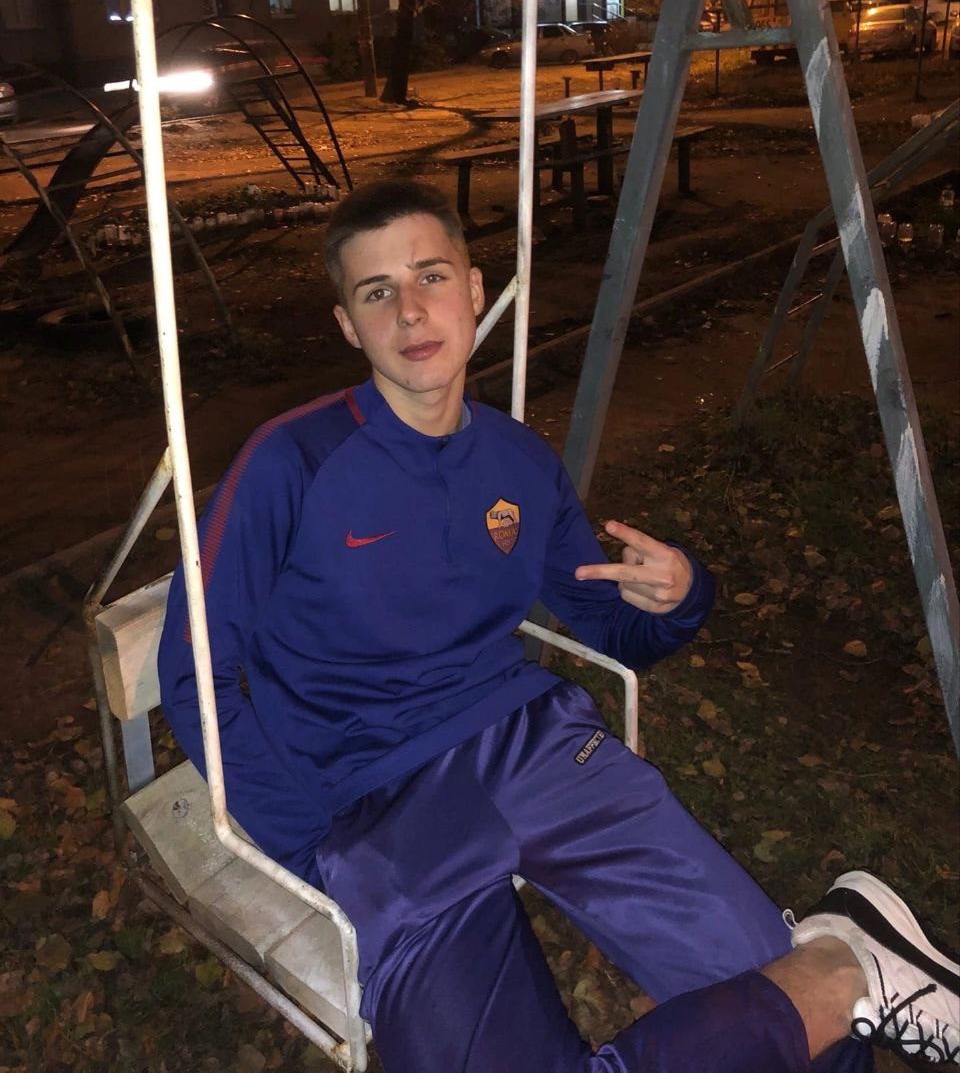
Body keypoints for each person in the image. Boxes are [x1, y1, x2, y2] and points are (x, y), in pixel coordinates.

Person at [158, 180, 958, 1072]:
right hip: (373, 806)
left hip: (533, 749)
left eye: (431, 276)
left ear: (474, 289)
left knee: (797, 1022)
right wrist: (307, 843)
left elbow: (610, 630)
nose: (410, 310)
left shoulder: (516, 461)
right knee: (795, 1003)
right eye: (377, 291)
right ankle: (845, 965)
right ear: (348, 324)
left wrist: (679, 599)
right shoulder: (291, 462)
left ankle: (839, 975)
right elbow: (193, 672)